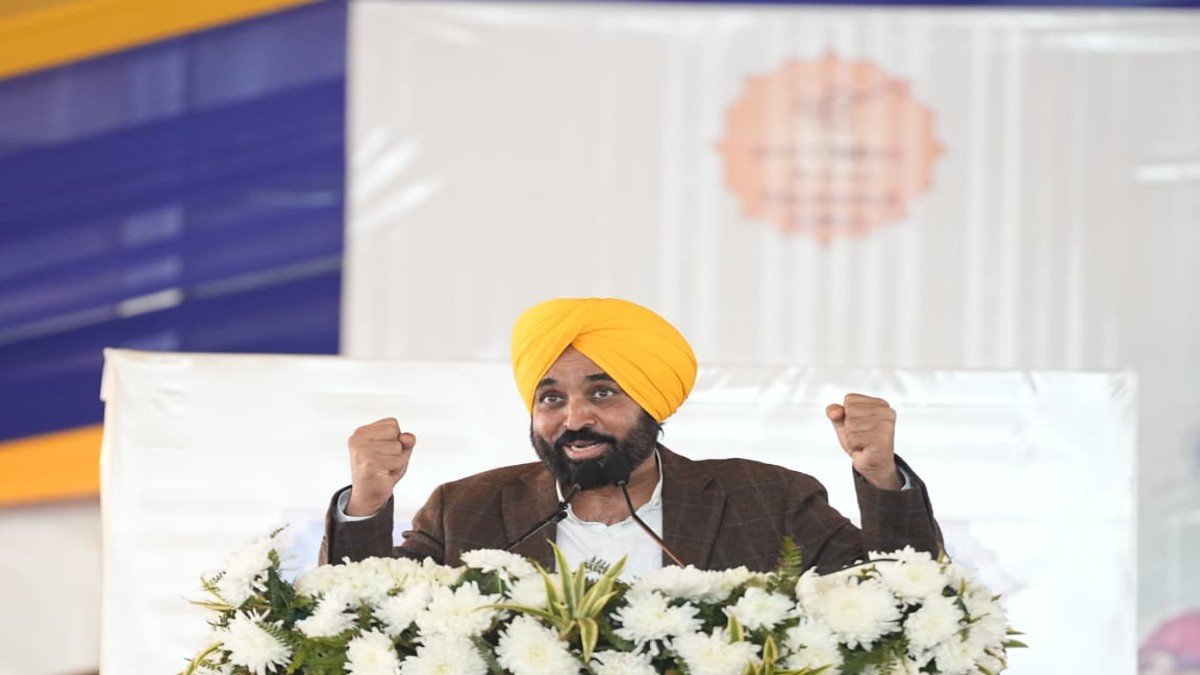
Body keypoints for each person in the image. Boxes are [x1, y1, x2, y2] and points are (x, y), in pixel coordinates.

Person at [320, 297, 942, 576]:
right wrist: (368, 499)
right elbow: (362, 617)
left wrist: (880, 475)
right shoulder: (468, 510)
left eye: (602, 393)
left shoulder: (766, 498)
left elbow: (901, 594)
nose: (575, 419)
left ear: (653, 402)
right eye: (551, 398)